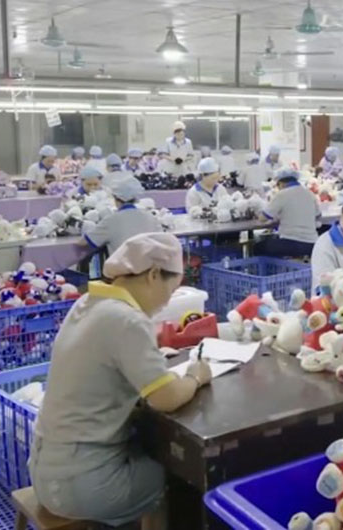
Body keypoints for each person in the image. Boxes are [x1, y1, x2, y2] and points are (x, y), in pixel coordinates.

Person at [30, 233, 211, 529]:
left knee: (148, 447)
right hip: (80, 485)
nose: (167, 302)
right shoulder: (127, 320)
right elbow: (165, 398)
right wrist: (195, 376)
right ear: (154, 274)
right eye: (171, 290)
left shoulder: (88, 302)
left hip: (46, 471)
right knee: (182, 474)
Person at [82, 178, 164, 256]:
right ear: (135, 198)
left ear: (115, 198)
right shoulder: (150, 217)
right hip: (150, 265)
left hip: (122, 265)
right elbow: (163, 242)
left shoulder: (111, 220)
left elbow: (85, 242)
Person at [257, 169, 321, 257]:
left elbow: (263, 218)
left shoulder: (282, 194)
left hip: (291, 243)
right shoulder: (310, 194)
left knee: (258, 246)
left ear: (281, 183)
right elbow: (317, 216)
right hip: (312, 244)